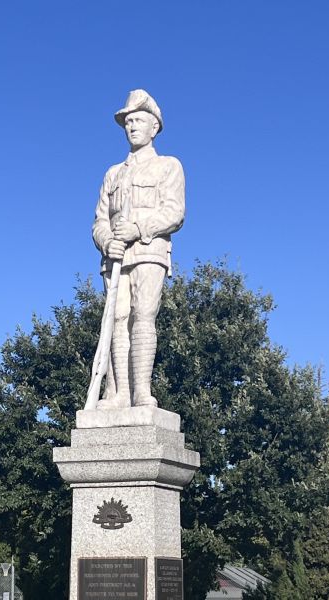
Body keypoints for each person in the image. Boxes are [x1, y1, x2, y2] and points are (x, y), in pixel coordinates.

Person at [92, 89, 185, 409]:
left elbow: (175, 213)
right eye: (128, 121)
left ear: (154, 126)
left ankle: (141, 392)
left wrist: (138, 229)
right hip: (116, 256)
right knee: (117, 319)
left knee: (143, 315)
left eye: (138, 120)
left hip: (149, 250)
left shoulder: (168, 166)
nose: (131, 126)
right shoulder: (113, 173)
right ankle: (117, 394)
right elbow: (99, 220)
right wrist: (107, 240)